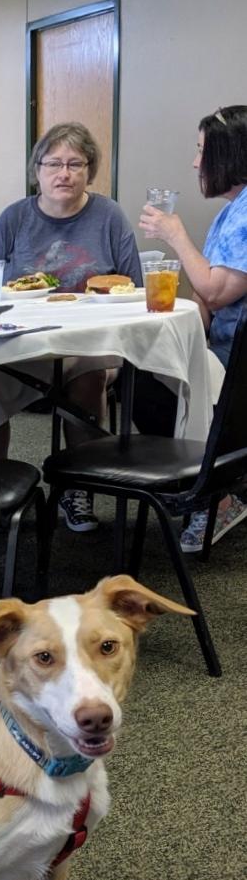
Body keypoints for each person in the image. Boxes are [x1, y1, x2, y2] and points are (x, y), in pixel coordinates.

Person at [0, 122, 142, 533]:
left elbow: (135, 288)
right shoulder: (14, 218)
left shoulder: (109, 216)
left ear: (90, 170)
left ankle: (79, 489)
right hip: (24, 342)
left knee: (88, 372)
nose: (64, 173)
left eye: (75, 164)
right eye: (53, 164)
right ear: (37, 170)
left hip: (92, 341)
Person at [139, 104, 247, 552]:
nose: (195, 162)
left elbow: (217, 292)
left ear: (229, 154)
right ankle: (201, 483)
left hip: (238, 361)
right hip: (222, 342)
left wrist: (175, 235)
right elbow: (207, 298)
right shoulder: (231, 211)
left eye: (202, 150)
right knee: (140, 370)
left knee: (145, 382)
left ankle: (219, 492)